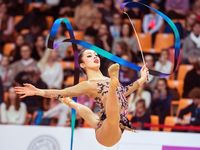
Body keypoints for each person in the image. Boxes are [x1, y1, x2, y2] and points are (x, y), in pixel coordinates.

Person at [15, 49, 149, 147]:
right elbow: (62, 92)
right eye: (89, 56)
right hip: (108, 131)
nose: (95, 57)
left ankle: (72, 104)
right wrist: (38, 91)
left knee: (96, 109)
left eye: (96, 55)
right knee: (111, 109)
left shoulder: (108, 79)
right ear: (83, 65)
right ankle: (110, 90)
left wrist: (142, 79)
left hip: (111, 127)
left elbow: (124, 92)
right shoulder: (88, 85)